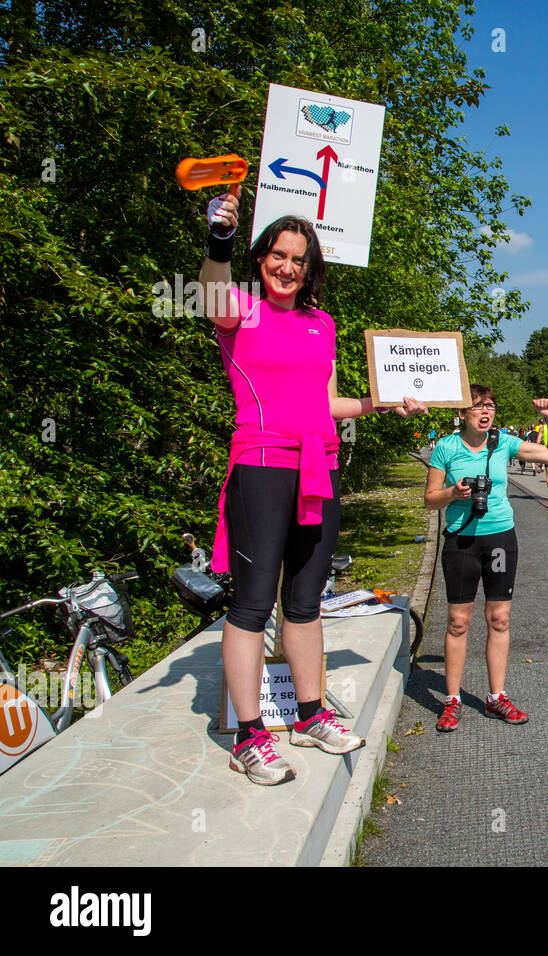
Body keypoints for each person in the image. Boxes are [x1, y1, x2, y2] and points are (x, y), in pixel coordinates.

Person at [199, 185, 427, 786]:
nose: (287, 266)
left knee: (304, 600)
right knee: (251, 604)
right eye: (278, 254)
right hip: (261, 467)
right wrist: (219, 236)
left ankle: (308, 714)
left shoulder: (321, 324)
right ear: (259, 258)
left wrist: (383, 405)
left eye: (299, 259)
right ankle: (250, 737)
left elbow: (326, 404)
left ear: (310, 268)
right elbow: (209, 290)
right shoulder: (239, 308)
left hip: (316, 467)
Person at [424, 387, 548, 732]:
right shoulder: (446, 447)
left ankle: (496, 696)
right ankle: (452, 700)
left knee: (499, 618)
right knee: (459, 621)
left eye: (490, 405)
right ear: (462, 413)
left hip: (500, 539)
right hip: (461, 541)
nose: (485, 411)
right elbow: (429, 500)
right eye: (477, 406)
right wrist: (453, 493)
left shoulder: (503, 443)